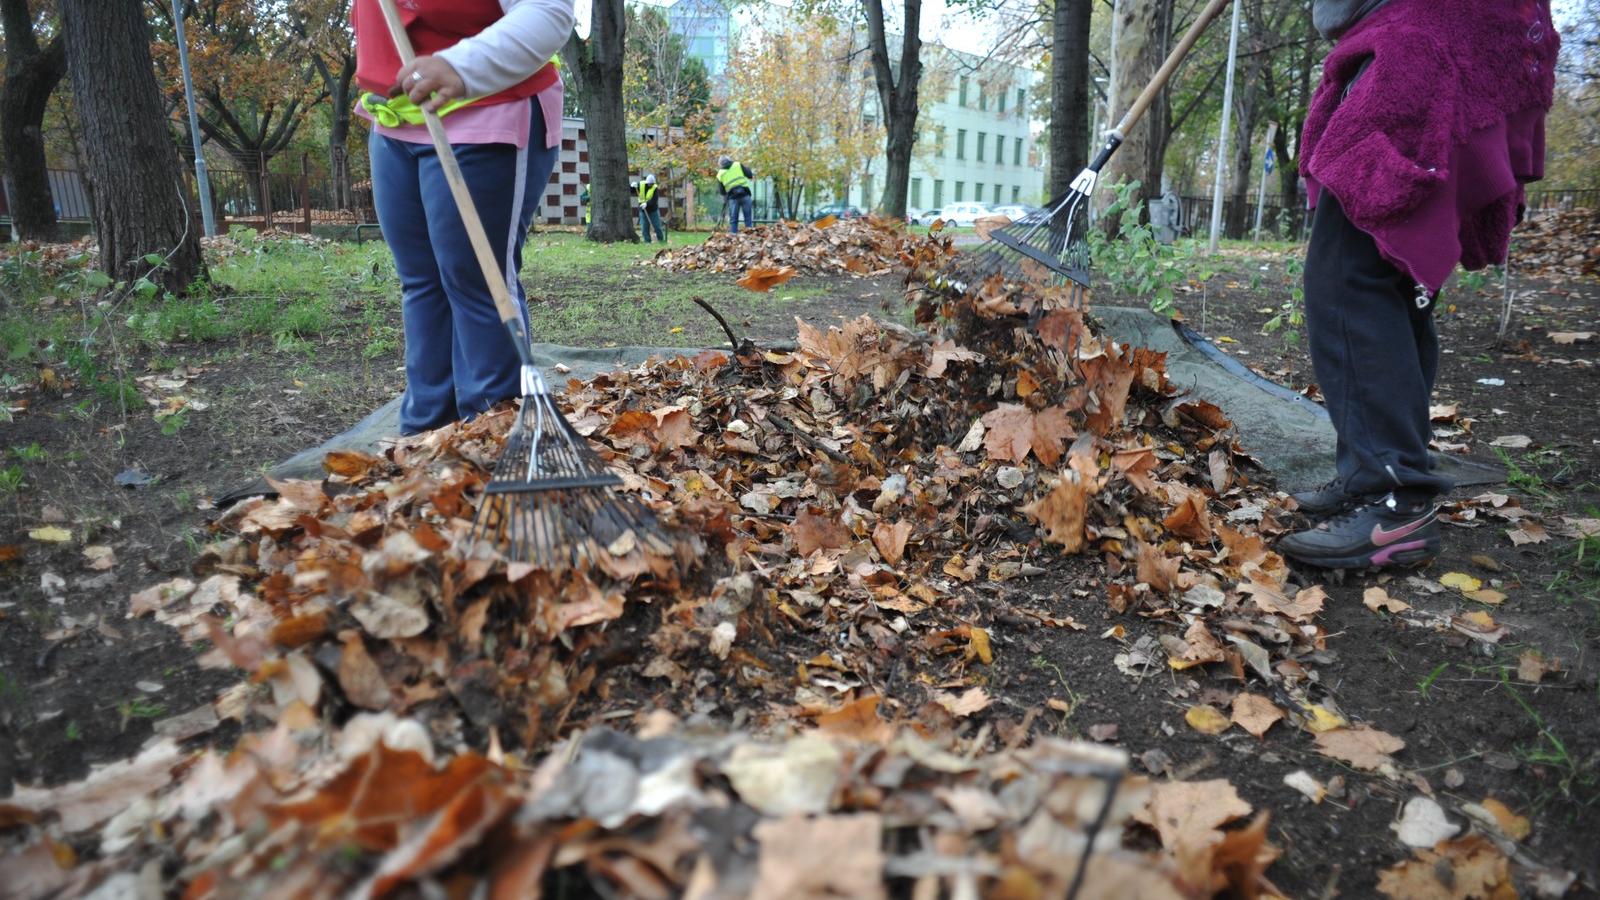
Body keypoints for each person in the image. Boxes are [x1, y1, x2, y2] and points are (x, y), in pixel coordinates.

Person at [1278, 0, 1557, 569]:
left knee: (1349, 274)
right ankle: (1375, 474)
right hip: (1475, 41)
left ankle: (1395, 503)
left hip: (1429, 41)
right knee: (1390, 270)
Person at [352, 0, 575, 435]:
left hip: (486, 107)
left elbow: (548, 11)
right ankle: (425, 431)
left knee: (475, 280)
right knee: (421, 281)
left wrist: (459, 66)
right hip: (395, 117)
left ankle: (491, 432)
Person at [716, 156, 755, 234]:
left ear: (720, 165)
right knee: (748, 219)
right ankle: (750, 237)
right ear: (730, 160)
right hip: (744, 194)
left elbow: (722, 191)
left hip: (732, 198)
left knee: (733, 220)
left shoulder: (720, 174)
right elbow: (750, 175)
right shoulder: (737, 165)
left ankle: (733, 237)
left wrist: (726, 195)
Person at [638, 173, 666, 243]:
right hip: (643, 210)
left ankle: (661, 239)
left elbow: (654, 200)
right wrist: (633, 186)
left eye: (652, 184)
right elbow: (632, 190)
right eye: (649, 183)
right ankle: (647, 241)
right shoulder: (641, 185)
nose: (650, 185)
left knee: (657, 226)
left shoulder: (655, 188)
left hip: (653, 210)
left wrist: (646, 204)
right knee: (644, 227)